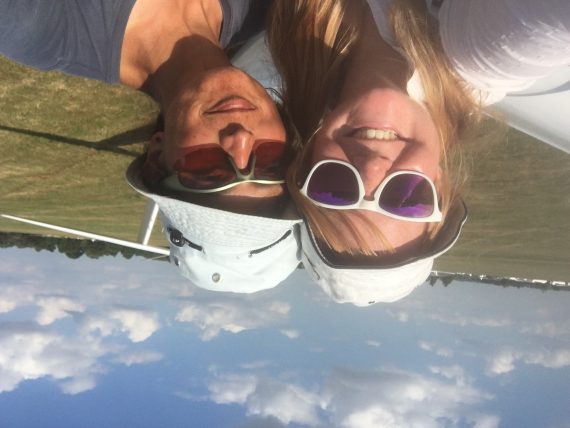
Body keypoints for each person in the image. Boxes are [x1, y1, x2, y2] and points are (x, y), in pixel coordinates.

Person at [265, 0, 570, 304]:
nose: (371, 167)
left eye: (336, 189)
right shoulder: (483, 52)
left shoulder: (287, 44)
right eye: (406, 196)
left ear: (306, 164)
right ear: (439, 182)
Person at [0, 0, 303, 293]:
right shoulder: (273, 11)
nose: (240, 140)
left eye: (208, 170)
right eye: (270, 162)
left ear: (157, 156)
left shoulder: (33, 23)